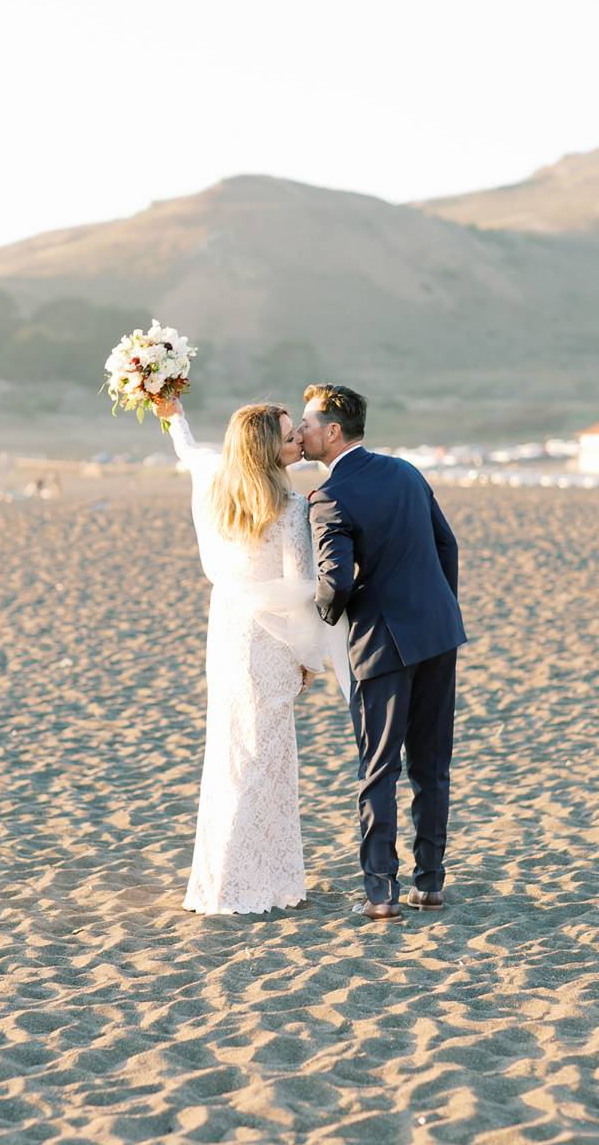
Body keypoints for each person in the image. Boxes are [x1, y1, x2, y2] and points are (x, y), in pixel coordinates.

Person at [153, 395, 343, 915]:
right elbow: (302, 589)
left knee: (233, 753)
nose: (297, 440)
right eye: (288, 437)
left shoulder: (220, 487)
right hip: (269, 642)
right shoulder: (289, 509)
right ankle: (247, 882)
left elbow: (191, 453)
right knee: (264, 759)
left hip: (229, 632)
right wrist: (310, 657)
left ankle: (226, 877)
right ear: (265, 451)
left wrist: (174, 415)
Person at [299, 384, 467, 921]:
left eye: (306, 423)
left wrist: (323, 620)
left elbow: (338, 581)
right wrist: (438, 607)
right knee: (431, 763)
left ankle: (379, 893)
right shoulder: (407, 472)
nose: (300, 432)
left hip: (382, 642)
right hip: (439, 633)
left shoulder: (328, 497)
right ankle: (430, 883)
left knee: (378, 768)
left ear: (332, 431)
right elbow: (448, 546)